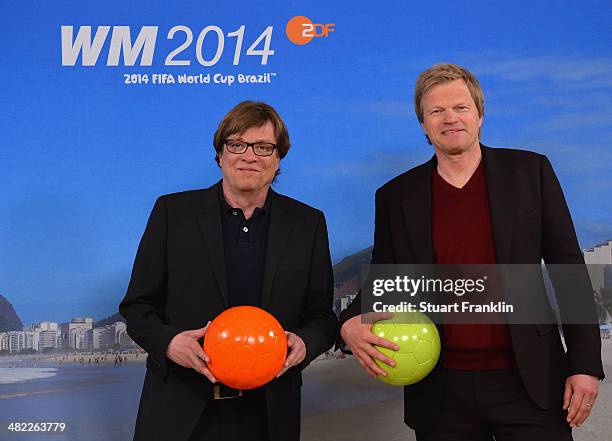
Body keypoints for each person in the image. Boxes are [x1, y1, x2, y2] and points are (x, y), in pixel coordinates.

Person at [339, 63, 605, 440]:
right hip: (441, 389)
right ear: (424, 125)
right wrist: (349, 321)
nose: (450, 118)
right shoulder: (396, 196)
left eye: (461, 107)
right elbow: (388, 279)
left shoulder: (532, 172)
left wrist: (584, 364)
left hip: (530, 380)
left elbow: (569, 269)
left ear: (479, 115)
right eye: (437, 111)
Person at [120, 101, 337, 441]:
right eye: (236, 144)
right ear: (220, 154)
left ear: (278, 158)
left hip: (269, 409)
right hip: (179, 405)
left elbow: (322, 316)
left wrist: (305, 344)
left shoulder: (308, 223)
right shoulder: (171, 213)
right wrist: (170, 343)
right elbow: (137, 306)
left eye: (264, 146)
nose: (249, 156)